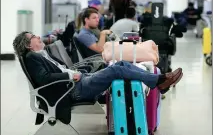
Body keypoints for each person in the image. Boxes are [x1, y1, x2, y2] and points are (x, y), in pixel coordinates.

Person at [13, 31, 183, 102]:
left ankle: (158, 82)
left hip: (78, 80)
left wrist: (75, 73)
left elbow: (58, 69)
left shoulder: (42, 54)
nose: (38, 37)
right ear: (29, 45)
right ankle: (159, 81)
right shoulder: (32, 58)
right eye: (34, 37)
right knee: (117, 69)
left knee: (121, 64)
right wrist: (70, 76)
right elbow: (44, 79)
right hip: (73, 89)